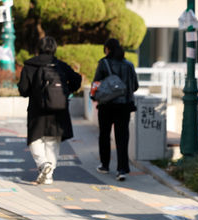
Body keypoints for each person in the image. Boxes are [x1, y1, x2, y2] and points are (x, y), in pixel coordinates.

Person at [18, 36, 82, 185]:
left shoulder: (30, 66)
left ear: (38, 48)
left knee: (35, 139)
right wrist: (66, 92)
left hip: (37, 109)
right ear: (54, 49)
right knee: (52, 141)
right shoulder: (60, 65)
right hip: (58, 108)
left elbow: (23, 90)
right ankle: (49, 174)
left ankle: (43, 165)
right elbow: (76, 79)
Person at [92, 38, 139, 181]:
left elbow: (96, 83)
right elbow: (135, 86)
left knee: (104, 135)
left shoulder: (103, 63)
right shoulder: (129, 65)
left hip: (106, 105)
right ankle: (122, 169)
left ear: (107, 49)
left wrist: (95, 96)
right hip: (124, 105)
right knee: (122, 137)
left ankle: (104, 166)